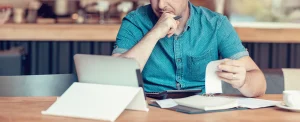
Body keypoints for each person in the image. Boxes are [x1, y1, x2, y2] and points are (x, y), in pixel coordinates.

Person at [112, 0, 266, 97]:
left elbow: (260, 83)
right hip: (151, 109)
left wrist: (243, 80)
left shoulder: (215, 24)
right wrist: (155, 33)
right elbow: (116, 78)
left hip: (202, 111)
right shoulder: (134, 21)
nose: (160, 5)